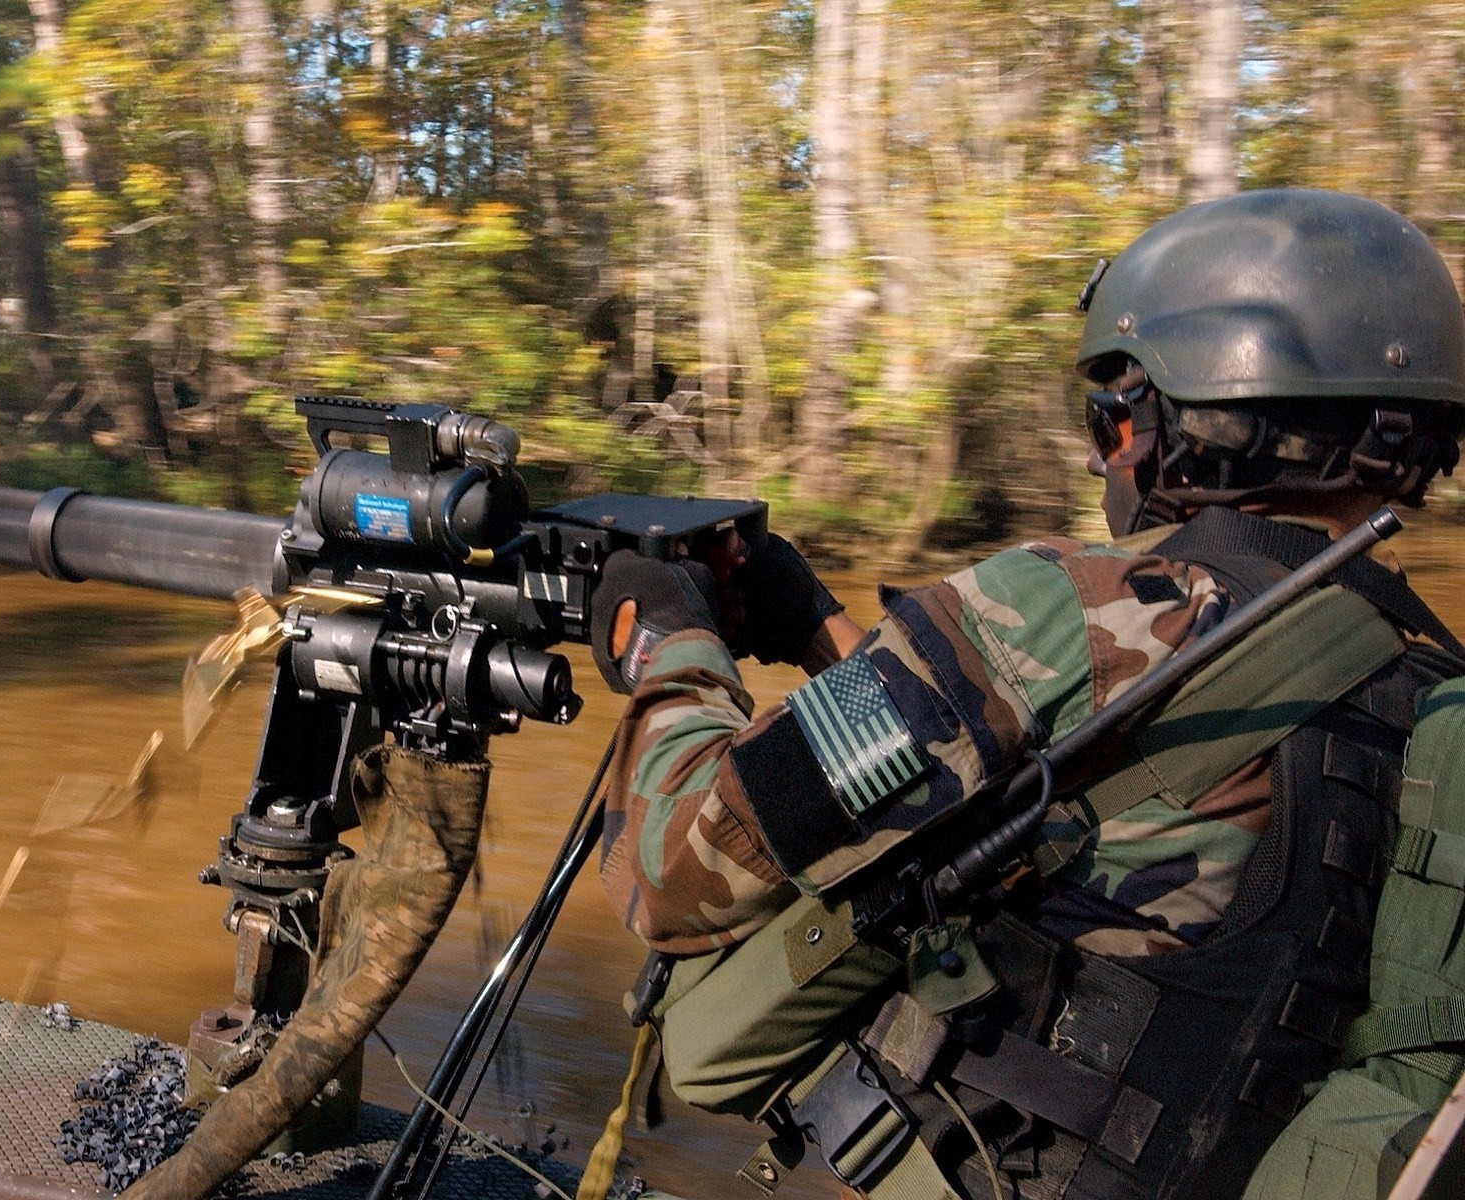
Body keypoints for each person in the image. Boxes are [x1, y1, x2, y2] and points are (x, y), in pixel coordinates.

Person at [585, 188, 1465, 1200]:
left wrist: (669, 644)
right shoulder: (1428, 682)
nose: (1103, 455)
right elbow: (983, 759)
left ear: (1207, 419)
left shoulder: (1059, 603)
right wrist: (820, 629)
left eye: (1117, 416)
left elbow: (670, 871)